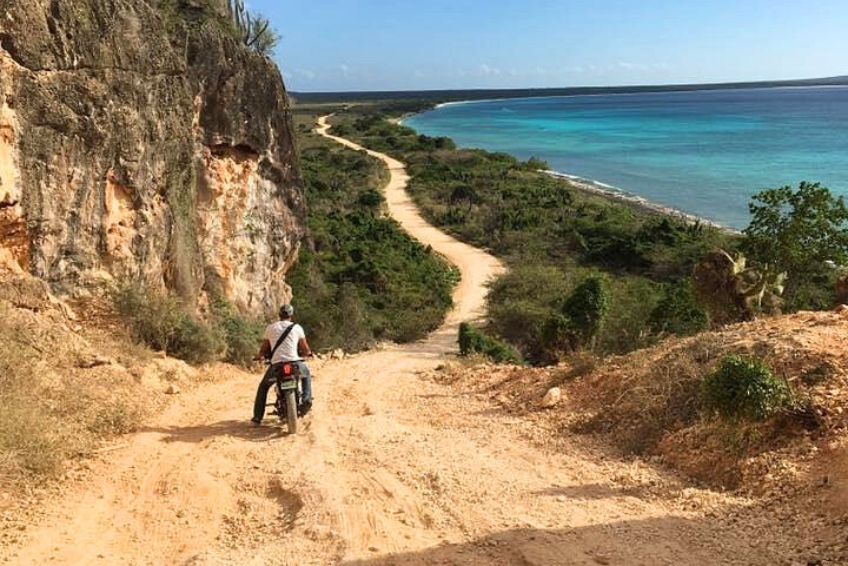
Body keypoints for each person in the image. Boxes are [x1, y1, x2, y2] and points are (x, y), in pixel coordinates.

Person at [251, 304, 313, 425]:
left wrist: (259, 356)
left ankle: (257, 417)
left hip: (276, 366)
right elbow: (305, 349)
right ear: (291, 315)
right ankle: (306, 399)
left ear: (279, 315)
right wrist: (308, 353)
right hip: (295, 363)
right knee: (306, 376)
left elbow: (264, 349)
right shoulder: (297, 328)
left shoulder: (270, 328)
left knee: (263, 387)